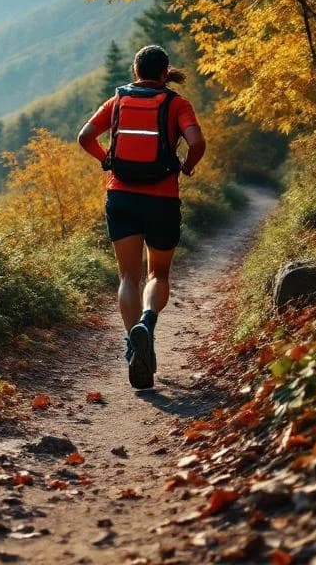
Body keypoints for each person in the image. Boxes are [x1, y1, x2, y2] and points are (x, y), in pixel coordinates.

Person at [77, 44, 206, 389]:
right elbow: (197, 142)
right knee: (158, 273)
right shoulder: (177, 104)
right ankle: (146, 325)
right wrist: (187, 167)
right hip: (162, 198)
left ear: (135, 71)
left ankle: (134, 350)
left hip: (120, 196)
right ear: (165, 73)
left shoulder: (116, 101)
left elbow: (85, 137)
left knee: (127, 278)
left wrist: (106, 159)